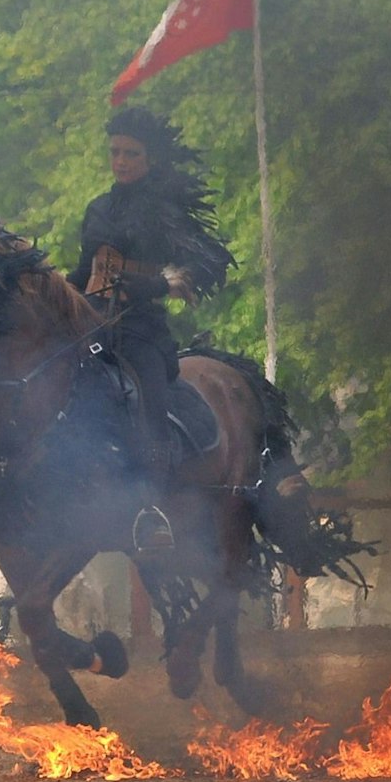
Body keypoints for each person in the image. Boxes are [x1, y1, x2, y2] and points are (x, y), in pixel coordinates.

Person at [68, 106, 235, 552]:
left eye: (131, 153)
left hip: (141, 332)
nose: (120, 161)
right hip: (91, 324)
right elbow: (83, 272)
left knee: (146, 402)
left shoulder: (166, 210)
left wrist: (155, 283)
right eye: (115, 152)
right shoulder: (97, 209)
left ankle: (151, 507)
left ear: (150, 158)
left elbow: (197, 267)